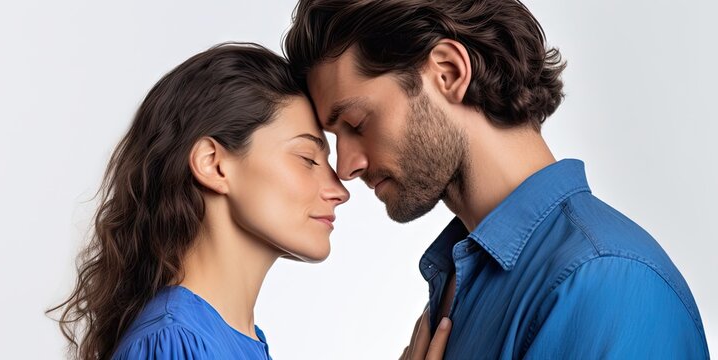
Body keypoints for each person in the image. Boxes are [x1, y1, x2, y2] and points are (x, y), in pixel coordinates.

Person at [284, 0, 710, 358]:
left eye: (357, 123)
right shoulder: (458, 275)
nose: (345, 166)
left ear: (448, 73)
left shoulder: (606, 284)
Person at [47, 43, 354, 359]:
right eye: (307, 158)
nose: (339, 190)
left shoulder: (231, 341)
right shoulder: (174, 340)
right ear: (213, 164)